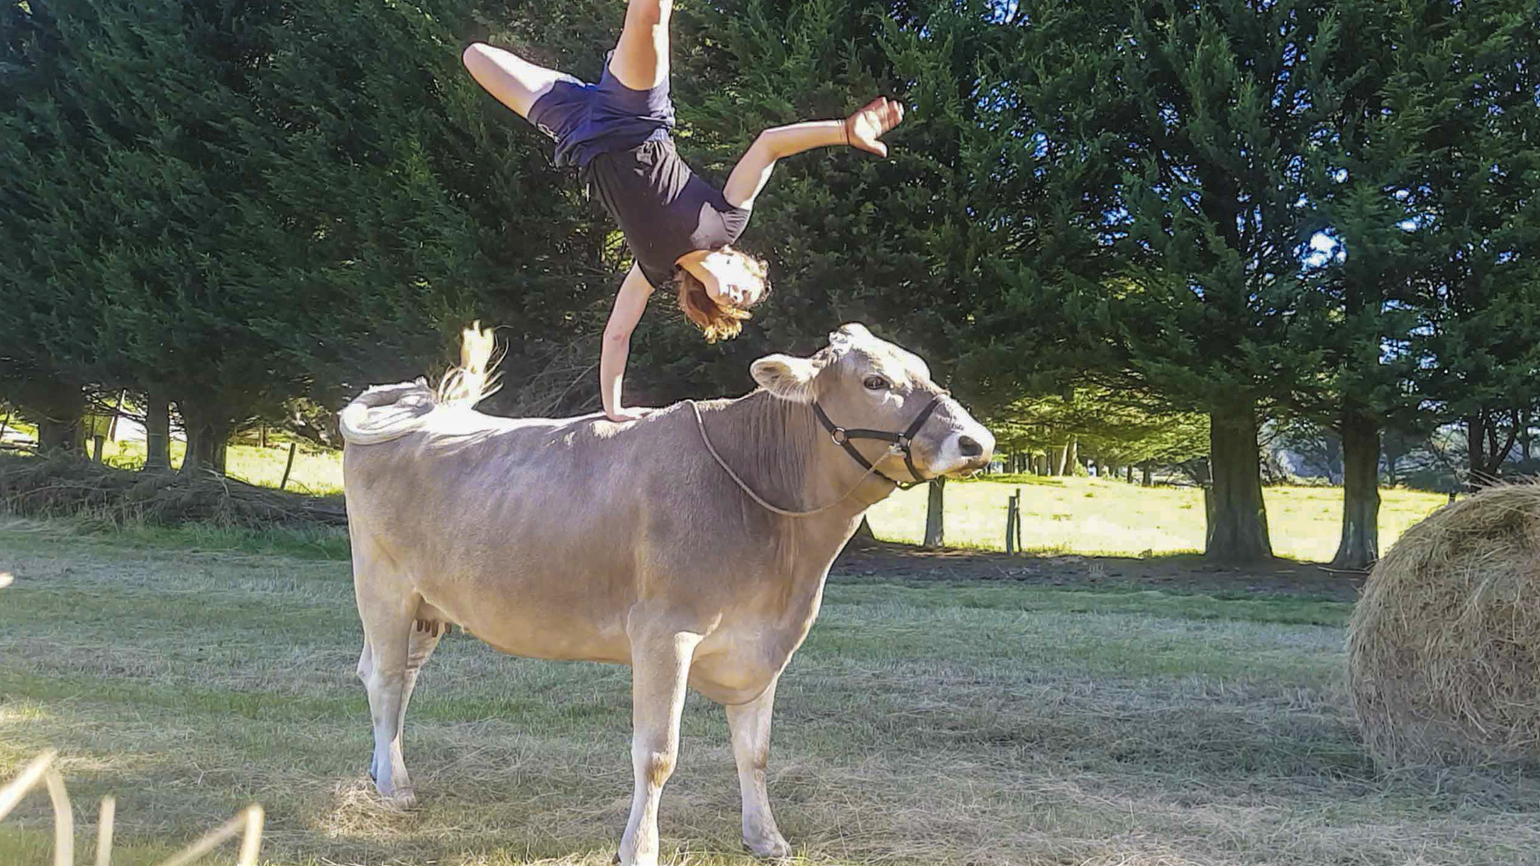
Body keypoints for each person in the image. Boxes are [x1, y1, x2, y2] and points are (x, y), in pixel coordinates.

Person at [462, 0, 904, 421]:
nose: (736, 298)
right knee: (651, 14)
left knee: (475, 56)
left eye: (737, 303)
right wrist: (842, 131)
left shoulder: (653, 268)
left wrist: (612, 407)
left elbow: (617, 335)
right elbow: (768, 145)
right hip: (634, 113)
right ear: (740, 260)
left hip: (577, 131)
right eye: (747, 289)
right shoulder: (727, 219)